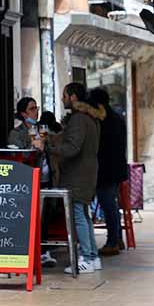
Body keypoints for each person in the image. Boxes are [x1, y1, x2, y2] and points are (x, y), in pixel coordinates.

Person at [47, 82, 104, 274]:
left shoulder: (79, 119)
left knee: (78, 215)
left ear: (73, 97)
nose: (63, 99)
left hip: (78, 175)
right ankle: (93, 256)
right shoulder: (91, 118)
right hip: (87, 173)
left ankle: (87, 257)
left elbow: (72, 148)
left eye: (64, 95)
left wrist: (49, 148)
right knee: (84, 215)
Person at [90, 88, 130, 258]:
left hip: (106, 169)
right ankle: (117, 238)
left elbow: (101, 147)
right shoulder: (117, 118)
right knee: (111, 205)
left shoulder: (103, 120)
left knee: (108, 205)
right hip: (116, 168)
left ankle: (112, 242)